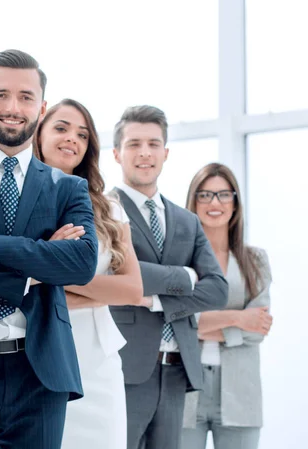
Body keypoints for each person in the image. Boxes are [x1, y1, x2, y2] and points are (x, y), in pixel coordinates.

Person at [0, 51, 98, 449]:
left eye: (26, 97)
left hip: (41, 374)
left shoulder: (67, 187)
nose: (13, 108)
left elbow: (82, 263)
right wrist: (38, 266)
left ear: (41, 107)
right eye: (1, 95)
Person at [109, 105, 228, 449]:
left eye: (153, 143)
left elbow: (218, 290)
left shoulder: (187, 220)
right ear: (117, 153)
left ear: (166, 153)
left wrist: (158, 300)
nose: (144, 152)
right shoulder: (104, 210)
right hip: (125, 368)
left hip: (177, 369)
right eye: (134, 144)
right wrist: (186, 276)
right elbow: (118, 269)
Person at [34, 98, 143, 449]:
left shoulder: (108, 206)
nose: (72, 139)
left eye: (82, 134)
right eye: (61, 128)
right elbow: (11, 285)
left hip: (99, 363)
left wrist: (56, 274)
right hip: (36, 357)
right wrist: (96, 291)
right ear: (38, 134)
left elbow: (131, 290)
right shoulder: (15, 200)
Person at [180, 163, 273, 449]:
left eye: (223, 194)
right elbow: (173, 321)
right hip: (184, 391)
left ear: (235, 202)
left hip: (240, 394)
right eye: (205, 195)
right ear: (193, 203)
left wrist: (200, 322)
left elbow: (257, 329)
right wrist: (237, 318)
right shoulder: (177, 261)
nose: (215, 203)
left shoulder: (255, 260)